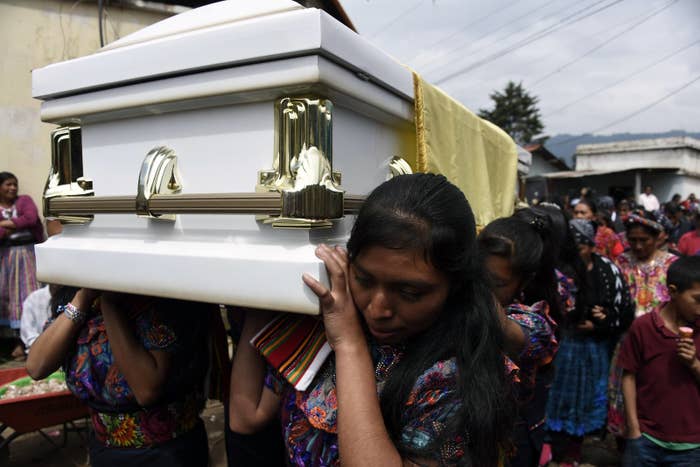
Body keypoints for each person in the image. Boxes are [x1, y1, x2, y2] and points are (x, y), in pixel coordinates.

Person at [229, 174, 515, 466]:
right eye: (364, 279)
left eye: (409, 292)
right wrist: (262, 299)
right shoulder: (329, 319)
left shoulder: (455, 376)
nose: (378, 309)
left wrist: (350, 345)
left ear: (455, 285)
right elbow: (245, 416)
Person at [26, 290, 211, 466]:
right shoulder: (81, 300)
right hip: (105, 448)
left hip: (166, 451)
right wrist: (82, 298)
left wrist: (110, 304)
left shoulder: (158, 303)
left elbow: (146, 391)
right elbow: (36, 366)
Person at [544, 219, 633, 466]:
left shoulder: (608, 270)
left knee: (587, 400)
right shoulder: (559, 269)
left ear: (591, 245)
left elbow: (624, 309)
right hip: (563, 346)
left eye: (581, 246)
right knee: (558, 400)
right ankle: (555, 451)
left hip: (594, 348)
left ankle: (576, 450)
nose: (577, 252)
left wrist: (600, 323)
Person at [479, 214, 559, 467]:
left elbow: (511, 336)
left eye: (496, 282)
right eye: (479, 274)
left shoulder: (534, 323)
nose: (483, 286)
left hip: (510, 441)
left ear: (523, 281)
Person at [619, 256, 700, 466]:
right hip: (646, 439)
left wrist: (694, 364)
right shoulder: (644, 327)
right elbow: (629, 376)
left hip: (692, 445)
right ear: (673, 292)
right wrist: (633, 428)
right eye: (697, 299)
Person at [607, 211, 678, 438]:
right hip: (627, 340)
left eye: (644, 240)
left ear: (658, 237)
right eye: (633, 240)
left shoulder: (671, 264)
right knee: (625, 388)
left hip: (661, 341)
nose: (637, 246)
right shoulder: (621, 263)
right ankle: (628, 435)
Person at [0, 171, 44, 359]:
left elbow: (31, 218)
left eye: (15, 184)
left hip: (27, 255)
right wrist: (17, 225)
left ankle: (27, 343)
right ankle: (13, 343)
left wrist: (5, 224)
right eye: (8, 184)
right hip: (6, 258)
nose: (13, 188)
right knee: (9, 298)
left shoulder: (24, 201)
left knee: (28, 294)